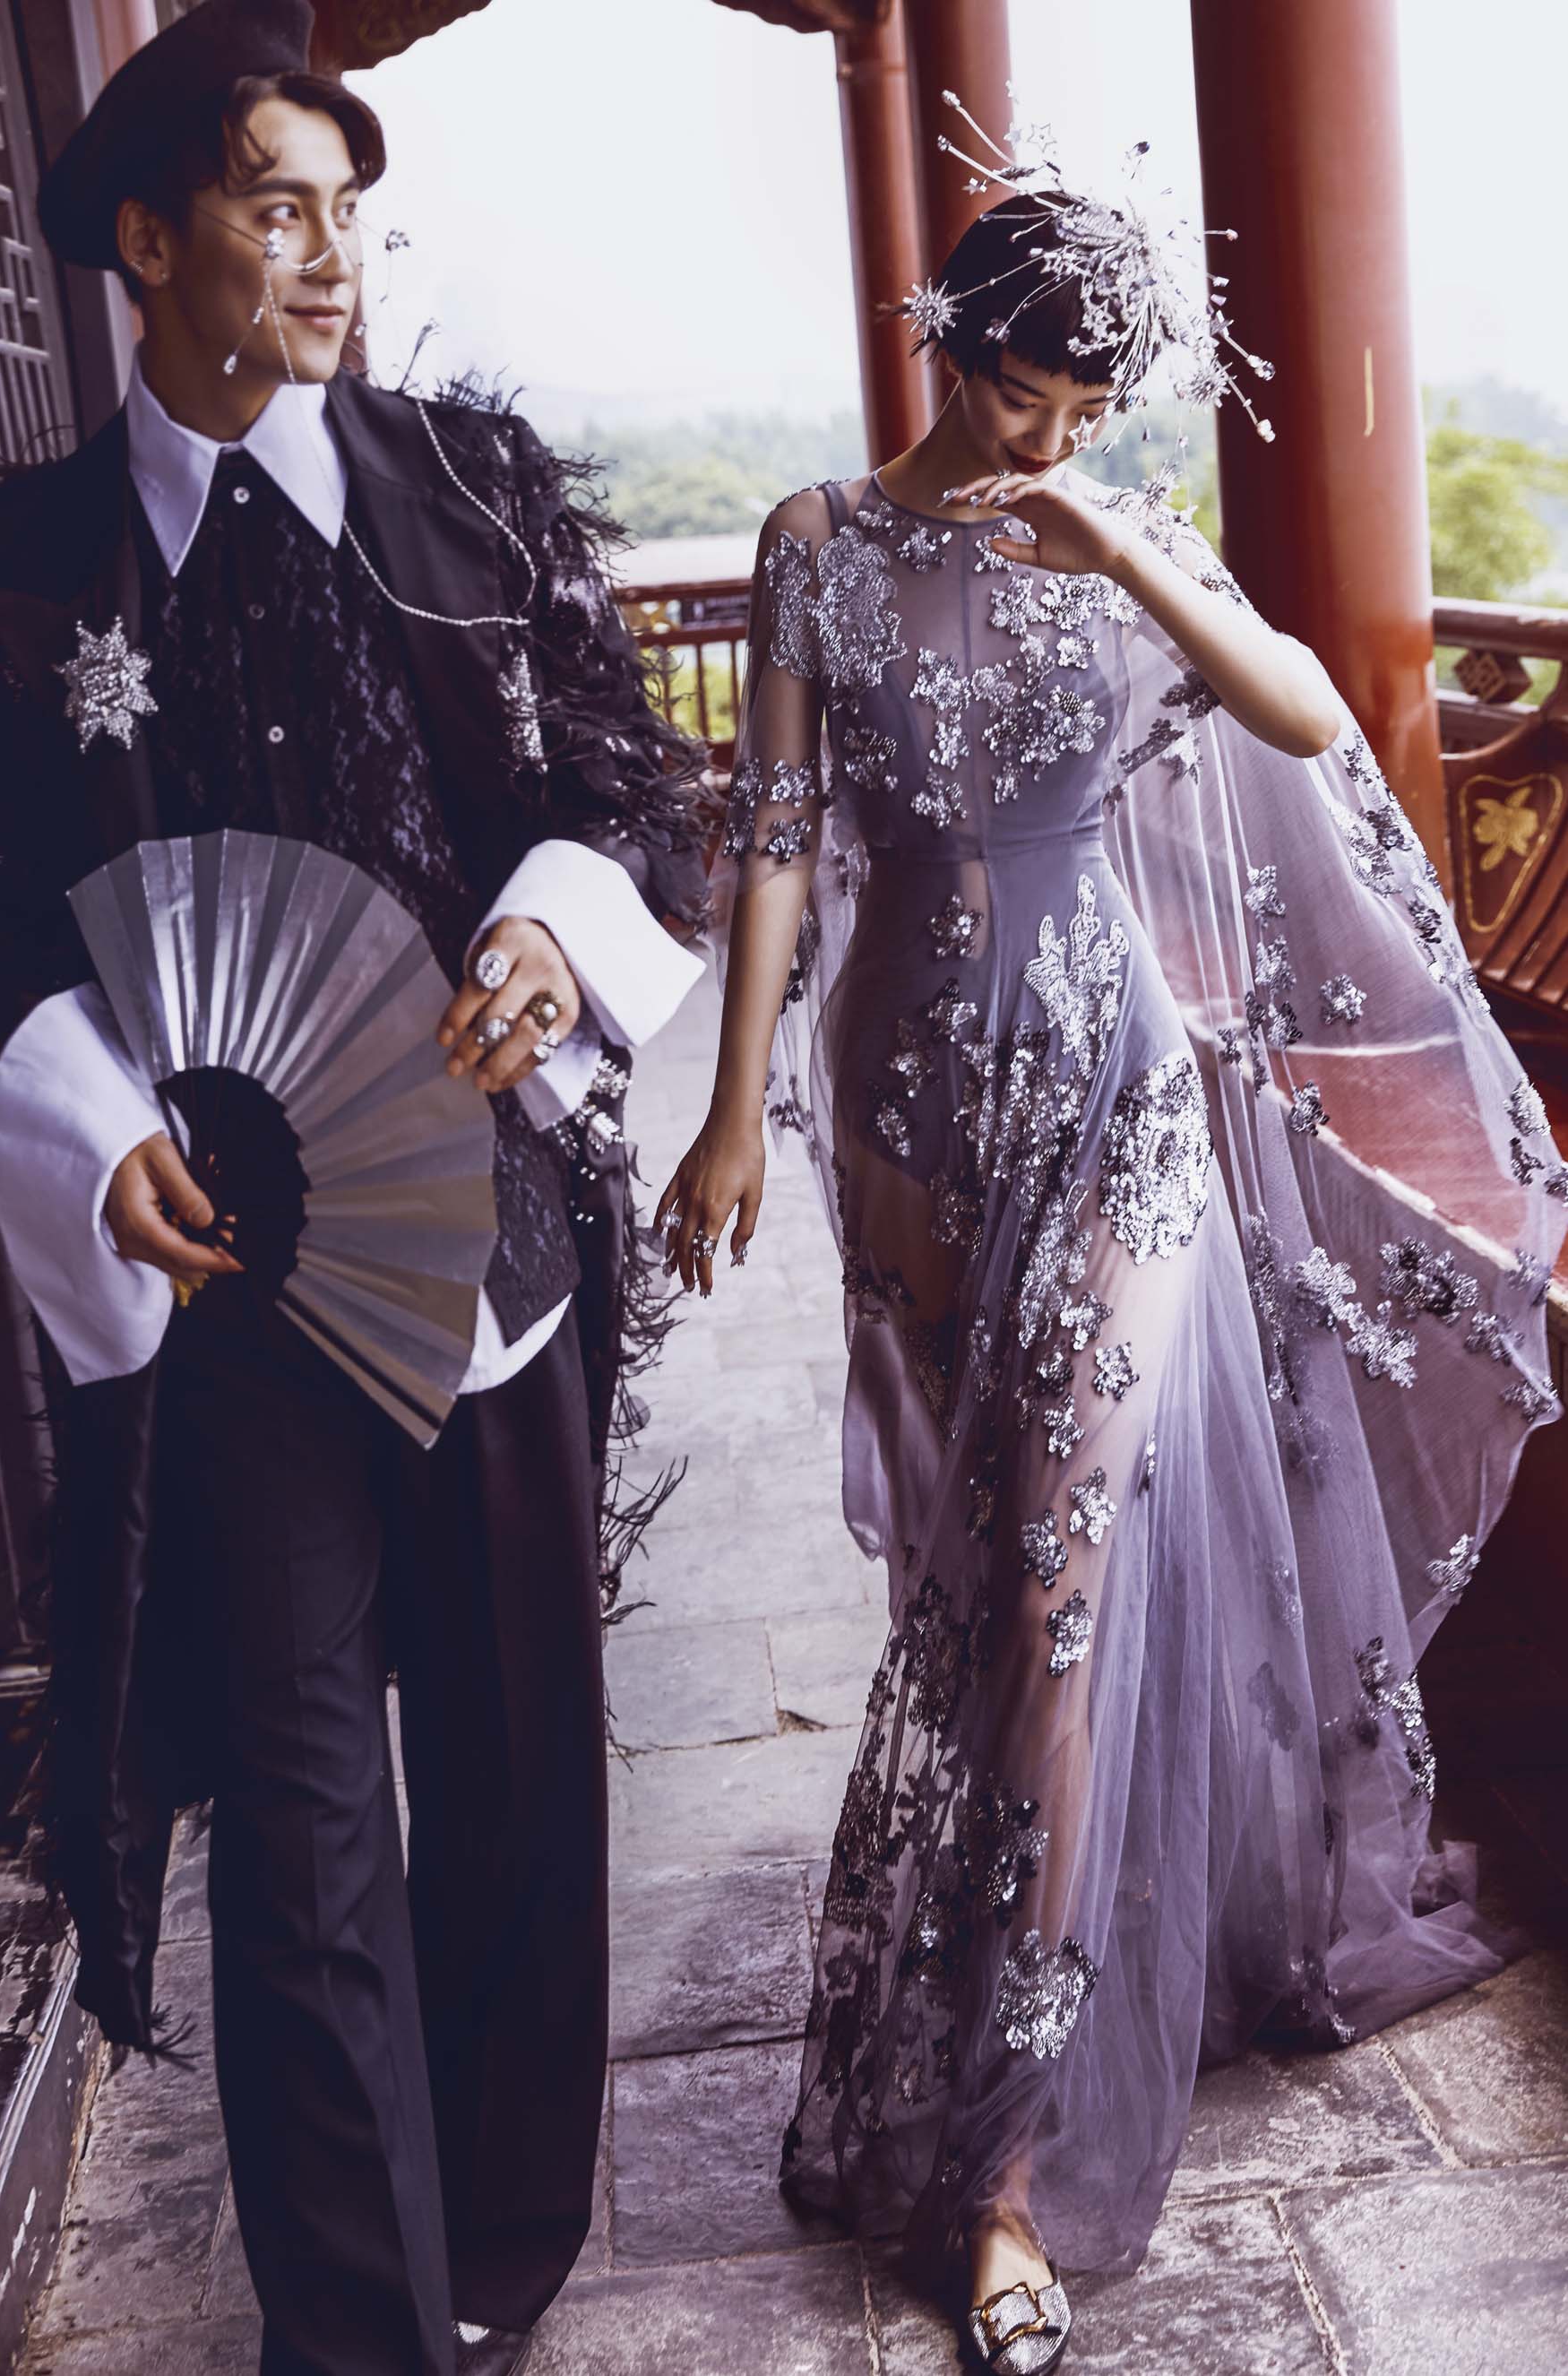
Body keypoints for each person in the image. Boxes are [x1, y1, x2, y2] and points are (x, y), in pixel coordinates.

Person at [658, 151, 1565, 2372]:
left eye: (1083, 409)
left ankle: (1005, 2171)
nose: (1042, 437)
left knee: (1056, 1594)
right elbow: (772, 841)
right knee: (976, 1594)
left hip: (1115, 1104)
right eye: (1018, 395)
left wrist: (1118, 543)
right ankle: (1017, 2003)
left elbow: (1309, 720)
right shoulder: (811, 546)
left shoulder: (1115, 530)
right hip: (905, 1115)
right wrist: (728, 1110)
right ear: (942, 342)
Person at [0, 4, 707, 2371]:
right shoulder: (26, 564)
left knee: (510, 1786)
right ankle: (365, 2336)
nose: (328, 257)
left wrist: (551, 930)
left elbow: (634, 791)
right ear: (145, 241)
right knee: (301, 1839)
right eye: (275, 206)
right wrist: (83, 1116)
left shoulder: (465, 489)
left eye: (346, 213)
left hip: (483, 1242)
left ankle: (498, 2241)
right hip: (231, 1292)